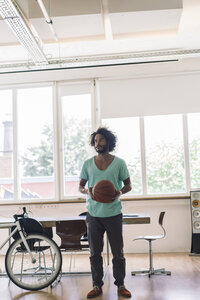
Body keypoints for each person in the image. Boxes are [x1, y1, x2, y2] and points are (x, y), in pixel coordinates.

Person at [79, 127, 132, 298]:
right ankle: (97, 285)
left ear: (108, 141)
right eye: (95, 141)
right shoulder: (87, 164)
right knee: (95, 253)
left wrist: (119, 192)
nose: (97, 144)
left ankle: (120, 285)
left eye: (101, 140)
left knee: (118, 252)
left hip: (114, 214)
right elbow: (80, 186)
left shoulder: (119, 163)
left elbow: (128, 185)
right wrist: (87, 191)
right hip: (94, 214)